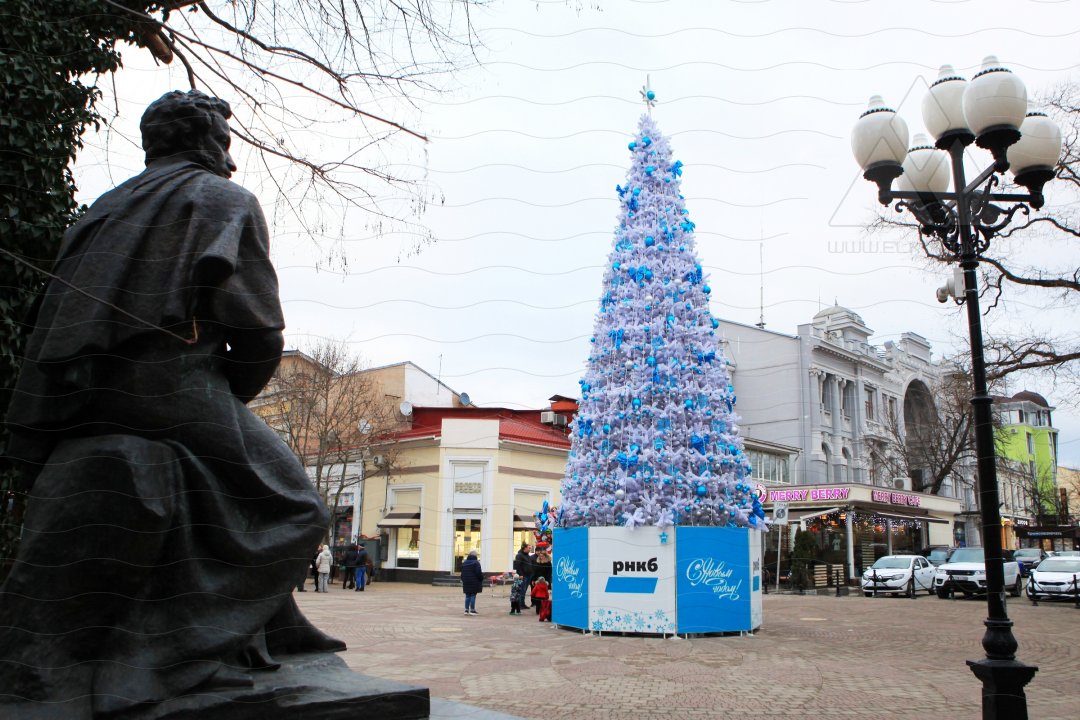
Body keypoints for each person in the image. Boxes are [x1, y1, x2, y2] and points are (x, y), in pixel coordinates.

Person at [0, 90, 343, 716]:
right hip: (167, 382)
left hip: (73, 395)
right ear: (208, 141)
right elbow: (261, 335)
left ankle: (267, 634)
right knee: (296, 507)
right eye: (225, 139)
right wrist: (226, 396)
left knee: (220, 488)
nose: (231, 155)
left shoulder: (103, 208)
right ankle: (152, 659)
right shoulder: (224, 199)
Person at [460, 549, 484, 615]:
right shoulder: (476, 563)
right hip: (474, 582)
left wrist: (463, 579)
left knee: (467, 595)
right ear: (475, 556)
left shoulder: (464, 562)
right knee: (473, 595)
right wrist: (481, 579)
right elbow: (478, 573)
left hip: (466, 581)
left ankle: (466, 610)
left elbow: (462, 573)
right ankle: (472, 610)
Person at [514, 542, 533, 607]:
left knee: (524, 591)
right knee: (521, 590)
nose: (530, 549)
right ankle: (519, 604)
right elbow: (518, 566)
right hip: (523, 576)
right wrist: (520, 574)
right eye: (529, 548)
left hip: (528, 575)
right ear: (525, 548)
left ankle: (522, 604)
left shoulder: (527, 555)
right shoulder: (519, 555)